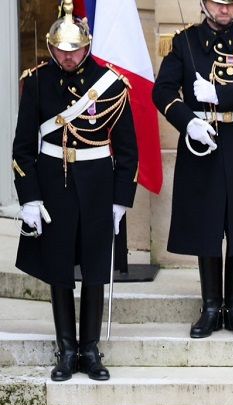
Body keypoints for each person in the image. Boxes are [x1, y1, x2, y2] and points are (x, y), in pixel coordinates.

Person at [12, 0, 137, 383]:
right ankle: (67, 349)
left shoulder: (111, 83)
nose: (68, 57)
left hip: (98, 183)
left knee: (96, 267)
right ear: (51, 48)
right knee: (59, 267)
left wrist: (121, 199)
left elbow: (128, 150)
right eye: (61, 50)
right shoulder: (36, 81)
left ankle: (90, 349)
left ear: (87, 46)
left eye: (75, 50)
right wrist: (29, 197)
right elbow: (23, 148)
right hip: (54, 184)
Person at [153, 0, 233, 340]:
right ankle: (210, 306)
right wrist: (188, 122)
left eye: (231, 4)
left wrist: (220, 94)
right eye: (218, 3)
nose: (225, 10)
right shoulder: (184, 41)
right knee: (205, 221)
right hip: (202, 139)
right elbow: (162, 91)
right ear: (203, 3)